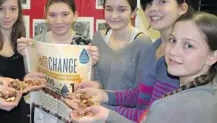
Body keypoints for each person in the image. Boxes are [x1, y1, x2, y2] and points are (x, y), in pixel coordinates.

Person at [67, 0, 192, 121]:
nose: (153, 9)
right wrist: (102, 96)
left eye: (162, 1)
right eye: (149, 3)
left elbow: (152, 116)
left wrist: (104, 111)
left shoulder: (179, 57)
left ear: (182, 8)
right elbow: (141, 96)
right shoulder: (156, 46)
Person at [70, 12, 217, 123]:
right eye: (172, 40)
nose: (173, 51)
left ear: (212, 56)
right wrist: (106, 112)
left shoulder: (168, 106)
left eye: (189, 45)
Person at [82, 0, 152, 90]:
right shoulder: (98, 37)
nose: (114, 16)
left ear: (133, 12)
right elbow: (97, 80)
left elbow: (142, 91)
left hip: (126, 106)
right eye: (109, 9)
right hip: (97, 104)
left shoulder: (143, 44)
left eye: (121, 10)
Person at [17, 0, 99, 66]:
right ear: (46, 15)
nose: (58, 21)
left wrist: (91, 65)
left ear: (75, 15)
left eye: (65, 14)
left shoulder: (86, 45)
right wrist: (26, 57)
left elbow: (90, 80)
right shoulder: (36, 43)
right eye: (52, 15)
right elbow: (31, 79)